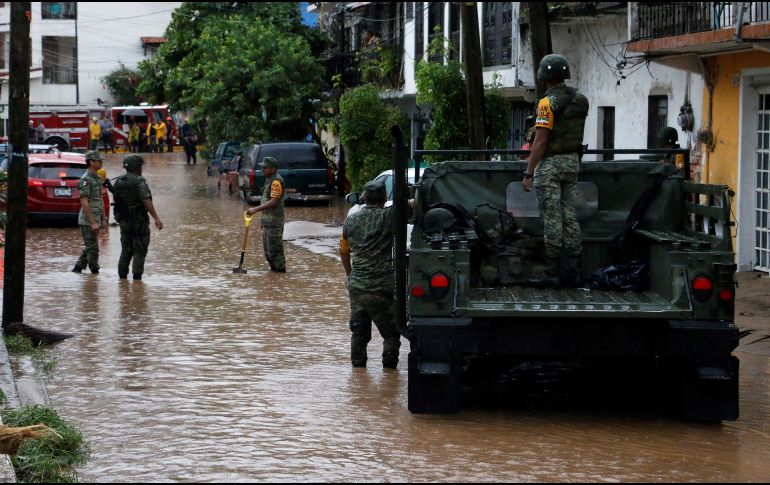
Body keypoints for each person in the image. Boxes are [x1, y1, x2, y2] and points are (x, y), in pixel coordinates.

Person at [522, 54, 589, 289]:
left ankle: (551, 272)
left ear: (543, 77)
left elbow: (540, 141)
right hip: (572, 162)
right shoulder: (581, 100)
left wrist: (529, 173)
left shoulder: (546, 103)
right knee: (569, 215)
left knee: (551, 217)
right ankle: (574, 271)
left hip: (550, 165)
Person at [339, 179, 414, 369]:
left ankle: (358, 372)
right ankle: (390, 370)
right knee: (391, 333)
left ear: (364, 198)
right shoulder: (388, 216)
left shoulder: (350, 220)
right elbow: (411, 205)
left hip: (357, 286)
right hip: (382, 286)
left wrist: (350, 275)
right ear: (385, 198)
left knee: (359, 332)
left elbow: (344, 251)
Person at [112, 154, 164, 280]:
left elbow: (116, 200)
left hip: (124, 220)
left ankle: (122, 279)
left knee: (126, 250)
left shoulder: (119, 181)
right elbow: (146, 200)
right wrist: (156, 218)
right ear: (137, 167)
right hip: (139, 220)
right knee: (140, 250)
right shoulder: (140, 180)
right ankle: (137, 279)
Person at [245, 156, 286, 272]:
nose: (262, 170)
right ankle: (274, 278)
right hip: (268, 221)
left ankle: (279, 275)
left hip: (274, 222)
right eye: (262, 167)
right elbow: (266, 200)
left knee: (275, 251)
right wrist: (263, 220)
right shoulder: (269, 180)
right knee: (268, 252)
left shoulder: (276, 181)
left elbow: (273, 202)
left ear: (273, 169)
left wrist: (255, 209)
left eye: (265, 168)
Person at [72, 151, 106, 274]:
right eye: (99, 161)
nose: (101, 163)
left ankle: (78, 270)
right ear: (91, 162)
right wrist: (92, 222)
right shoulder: (86, 179)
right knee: (93, 248)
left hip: (96, 218)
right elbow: (84, 202)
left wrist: (104, 218)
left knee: (90, 247)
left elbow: (99, 199)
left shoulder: (97, 177)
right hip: (87, 220)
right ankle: (94, 272)